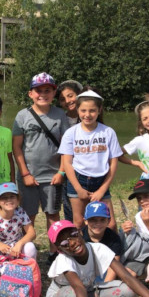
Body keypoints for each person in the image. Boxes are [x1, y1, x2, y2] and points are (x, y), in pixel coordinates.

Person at [12, 73, 70, 264]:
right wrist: (25, 173)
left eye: (47, 90)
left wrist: (62, 172)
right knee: (28, 215)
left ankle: (54, 252)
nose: (42, 94)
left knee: (52, 214)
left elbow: (65, 148)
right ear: (30, 93)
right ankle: (26, 250)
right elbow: (17, 148)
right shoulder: (22, 116)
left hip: (52, 176)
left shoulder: (60, 116)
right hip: (29, 177)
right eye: (38, 91)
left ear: (54, 93)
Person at [59, 89, 122, 231]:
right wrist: (78, 188)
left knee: (110, 223)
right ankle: (83, 252)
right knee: (79, 222)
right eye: (83, 110)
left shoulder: (108, 132)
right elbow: (67, 163)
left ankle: (113, 252)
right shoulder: (71, 133)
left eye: (92, 111)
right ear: (77, 109)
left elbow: (113, 163)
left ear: (99, 110)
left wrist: (102, 189)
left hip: (101, 180)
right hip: (78, 180)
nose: (87, 115)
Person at [0, 182, 37, 273]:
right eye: (4, 197)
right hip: (0, 253)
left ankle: (30, 271)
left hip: (17, 248)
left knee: (30, 247)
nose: (9, 200)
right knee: (11, 271)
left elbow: (32, 233)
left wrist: (20, 243)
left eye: (12, 196)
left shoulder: (20, 212)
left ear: (18, 200)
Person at [55, 80, 82, 222]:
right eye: (62, 99)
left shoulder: (89, 115)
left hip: (87, 168)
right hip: (68, 168)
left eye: (70, 95)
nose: (68, 101)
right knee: (70, 208)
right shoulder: (60, 119)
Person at [81, 202, 124, 281]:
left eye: (102, 220)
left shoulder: (114, 239)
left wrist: (104, 287)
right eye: (93, 220)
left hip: (104, 271)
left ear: (109, 220)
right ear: (85, 221)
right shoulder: (80, 237)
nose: (98, 224)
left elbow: (114, 268)